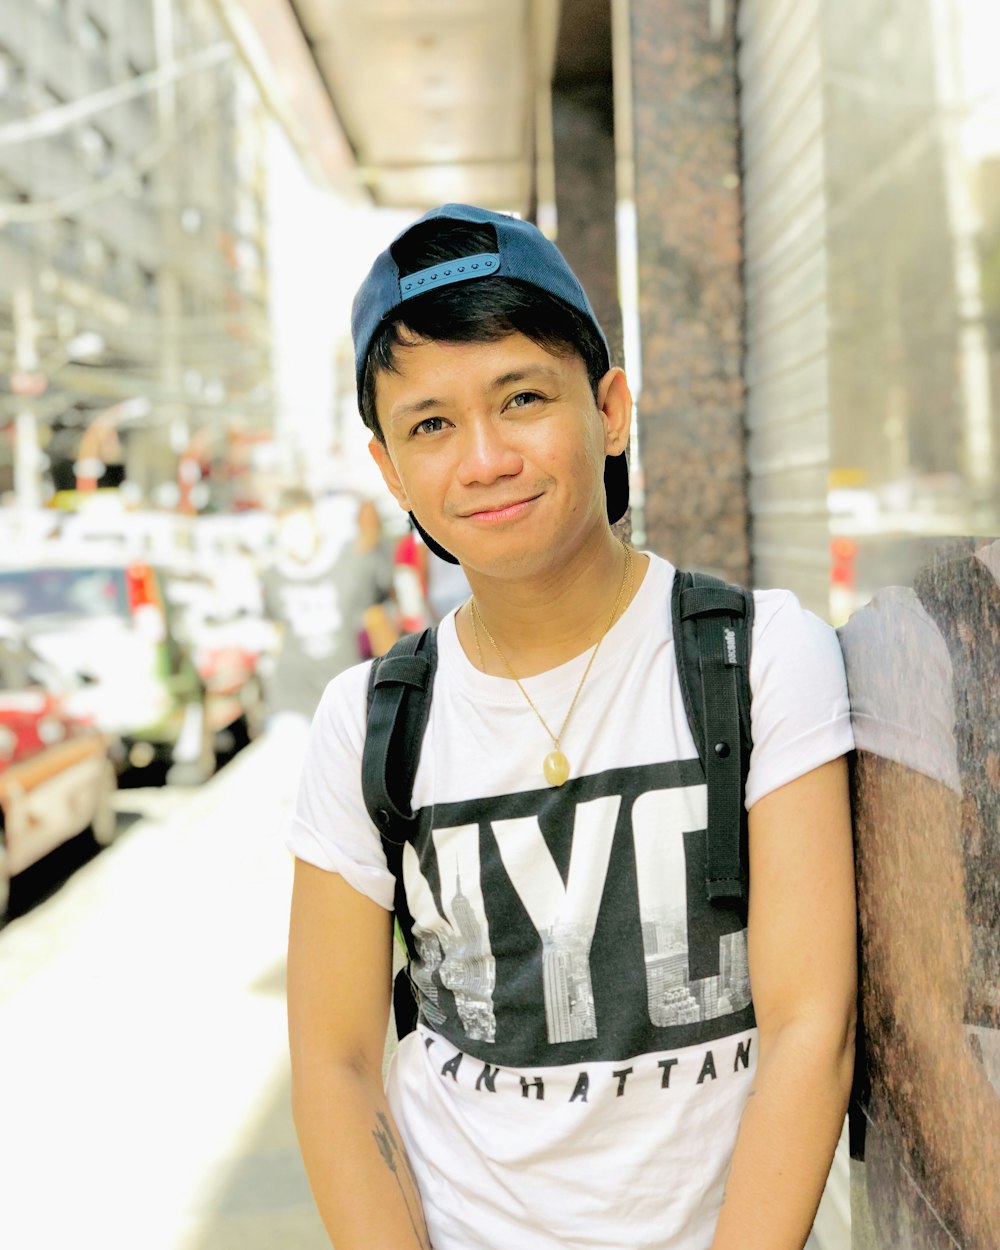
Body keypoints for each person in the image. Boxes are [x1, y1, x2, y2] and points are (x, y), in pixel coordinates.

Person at [285, 204, 857, 1250]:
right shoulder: (369, 718)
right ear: (390, 470)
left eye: (521, 398)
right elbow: (334, 1060)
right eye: (430, 424)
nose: (486, 456)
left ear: (610, 408)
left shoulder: (758, 656)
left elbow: (810, 1026)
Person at [260, 487, 394, 727]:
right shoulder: (273, 577)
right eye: (286, 530)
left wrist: (394, 682)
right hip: (293, 698)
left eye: (300, 526)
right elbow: (277, 633)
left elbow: (375, 621)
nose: (295, 537)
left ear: (314, 523)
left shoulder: (349, 564)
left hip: (346, 693)